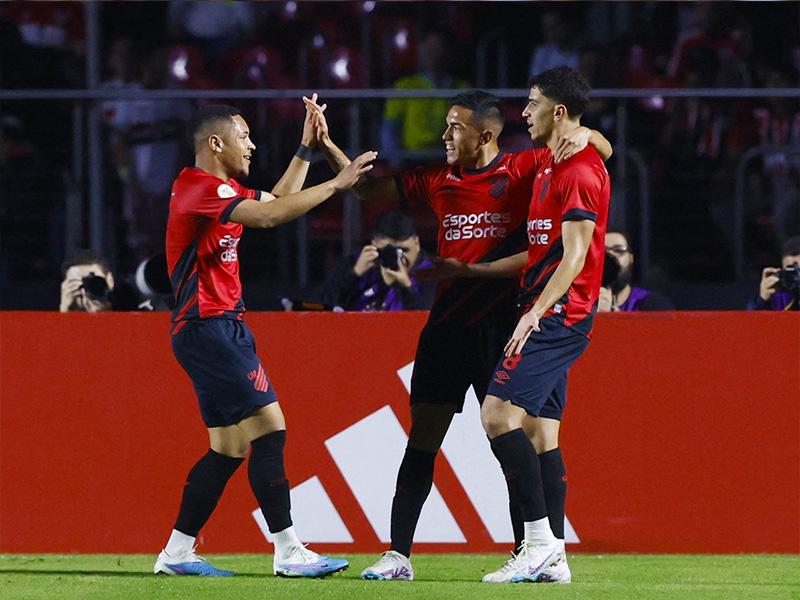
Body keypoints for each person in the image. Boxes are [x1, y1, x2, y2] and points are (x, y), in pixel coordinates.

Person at [304, 89, 611, 581]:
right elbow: (365, 190)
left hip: (504, 325)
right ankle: (398, 555)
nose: (444, 136)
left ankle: (532, 551)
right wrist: (326, 146)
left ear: (484, 135)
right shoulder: (435, 179)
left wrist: (588, 132)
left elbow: (592, 147)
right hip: (447, 327)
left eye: (455, 127)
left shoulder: (526, 166)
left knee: (527, 437)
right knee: (423, 438)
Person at [155, 101, 376, 578]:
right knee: (271, 430)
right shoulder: (197, 188)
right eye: (244, 136)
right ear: (216, 143)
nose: (252, 144)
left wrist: (306, 149)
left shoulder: (220, 189)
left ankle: (176, 552)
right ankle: (288, 550)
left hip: (213, 328)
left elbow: (275, 203)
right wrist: (337, 183)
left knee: (230, 447)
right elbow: (270, 219)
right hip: (209, 326)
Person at [427, 66, 611, 584]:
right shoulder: (554, 162)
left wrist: (534, 312)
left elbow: (574, 256)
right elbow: (543, 247)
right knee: (539, 433)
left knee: (496, 417)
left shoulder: (577, 170)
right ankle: (554, 558)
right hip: (543, 307)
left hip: (557, 314)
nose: (522, 112)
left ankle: (538, 543)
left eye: (531, 104)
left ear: (556, 111)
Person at [381, 28, 470, 161]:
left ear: (449, 53)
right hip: (411, 160)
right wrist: (395, 161)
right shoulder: (405, 86)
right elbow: (390, 128)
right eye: (427, 48)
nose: (431, 54)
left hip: (448, 160)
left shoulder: (463, 89)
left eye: (437, 48)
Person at [320, 209, 435, 311]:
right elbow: (321, 310)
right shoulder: (354, 264)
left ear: (416, 243)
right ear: (374, 244)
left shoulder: (433, 274)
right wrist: (354, 275)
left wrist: (405, 288)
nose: (399, 259)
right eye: (390, 251)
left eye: (404, 250)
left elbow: (432, 325)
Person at [598, 230, 674, 312]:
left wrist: (612, 314)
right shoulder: (583, 302)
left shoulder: (653, 304)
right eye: (602, 250)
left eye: (618, 250)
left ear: (631, 258)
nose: (610, 256)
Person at [747, 235, 800, 311]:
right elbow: (749, 321)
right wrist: (762, 301)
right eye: (790, 272)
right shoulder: (781, 298)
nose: (796, 277)